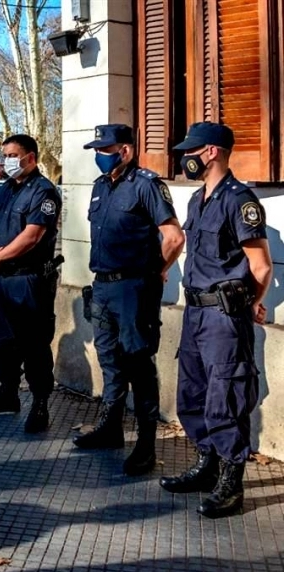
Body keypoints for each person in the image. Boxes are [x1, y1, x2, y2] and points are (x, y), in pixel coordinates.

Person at [160, 122, 272, 518]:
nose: (184, 158)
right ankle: (207, 464)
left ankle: (231, 482)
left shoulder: (239, 200)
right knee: (193, 393)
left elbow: (261, 266)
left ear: (211, 152)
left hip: (224, 316)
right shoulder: (197, 200)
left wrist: (249, 304)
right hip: (195, 313)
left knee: (226, 396)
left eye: (191, 152)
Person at [74, 124, 185, 477]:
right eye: (97, 150)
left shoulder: (147, 185)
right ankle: (110, 428)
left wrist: (156, 271)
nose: (99, 157)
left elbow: (173, 237)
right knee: (110, 360)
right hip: (103, 286)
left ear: (125, 151)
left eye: (105, 150)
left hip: (133, 290)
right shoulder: (100, 187)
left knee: (138, 364)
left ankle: (146, 444)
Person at [0, 134, 62, 433]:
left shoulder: (45, 192)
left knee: (34, 344)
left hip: (30, 278)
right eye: (5, 156)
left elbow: (33, 235)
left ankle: (40, 404)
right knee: (4, 340)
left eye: (12, 155)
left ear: (31, 157)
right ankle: (8, 393)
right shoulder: (7, 190)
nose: (7, 162)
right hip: (4, 278)